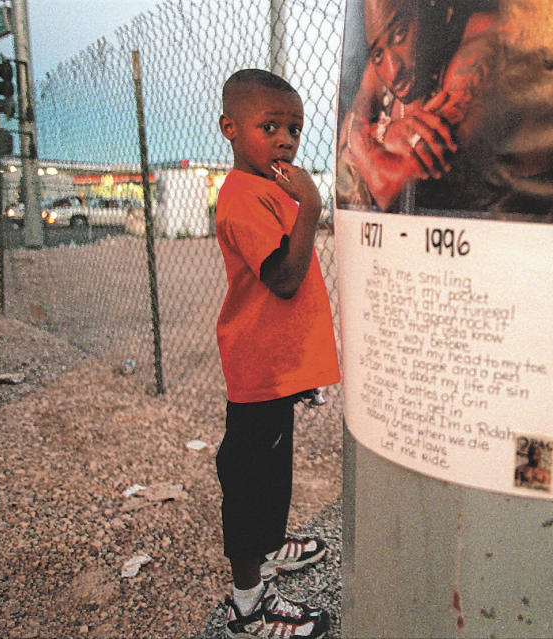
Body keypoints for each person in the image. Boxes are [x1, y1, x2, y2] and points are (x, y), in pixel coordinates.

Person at [214, 68, 340, 639]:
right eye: (270, 126)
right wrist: (311, 203)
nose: (286, 139)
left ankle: (272, 543)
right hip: (257, 371)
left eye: (294, 128)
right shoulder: (243, 197)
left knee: (273, 476)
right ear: (231, 129)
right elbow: (285, 280)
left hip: (275, 370)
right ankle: (249, 607)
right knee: (250, 485)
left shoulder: (268, 190)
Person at [336, 0, 498, 212]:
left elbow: (387, 187)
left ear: (430, 8)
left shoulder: (479, 41)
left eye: (400, 34)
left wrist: (365, 143)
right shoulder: (380, 60)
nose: (393, 70)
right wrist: (383, 133)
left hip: (504, 231)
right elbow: (343, 160)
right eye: (378, 54)